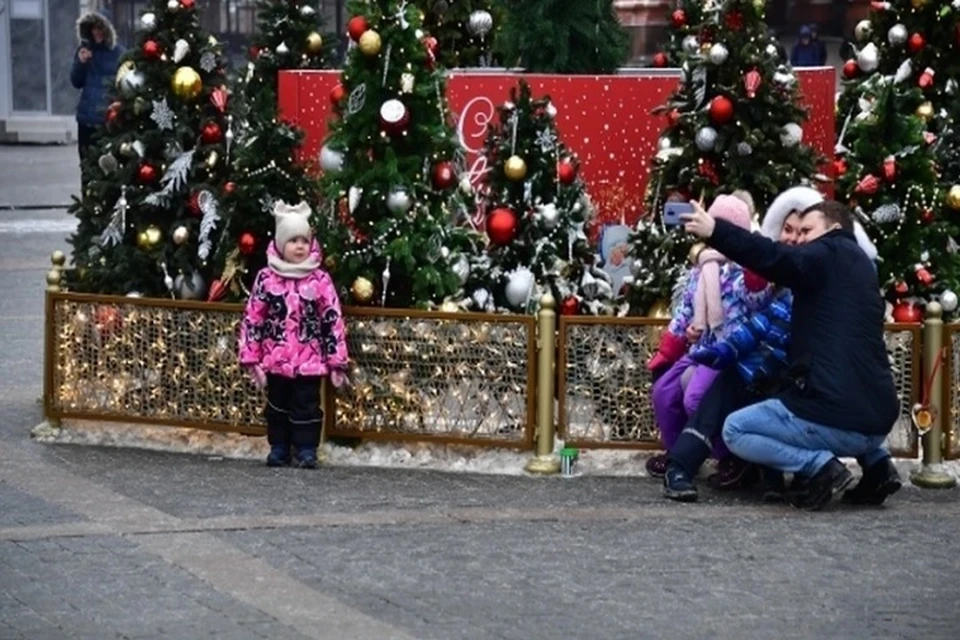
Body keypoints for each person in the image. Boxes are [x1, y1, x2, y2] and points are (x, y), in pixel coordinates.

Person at [662, 187, 881, 502]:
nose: (795, 238)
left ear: (829, 230)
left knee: (757, 414)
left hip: (803, 376)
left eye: (804, 231)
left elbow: (773, 280)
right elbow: (761, 314)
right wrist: (725, 350)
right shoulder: (820, 264)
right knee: (727, 390)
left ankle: (820, 468)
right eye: (789, 230)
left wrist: (716, 232)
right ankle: (686, 465)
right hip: (766, 364)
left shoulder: (820, 264)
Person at [645, 195, 766, 477]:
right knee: (664, 391)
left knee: (695, 398)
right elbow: (686, 308)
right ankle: (678, 451)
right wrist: (674, 342)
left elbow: (756, 300)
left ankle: (730, 455)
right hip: (701, 348)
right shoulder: (702, 267)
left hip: (731, 352)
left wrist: (755, 277)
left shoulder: (743, 268)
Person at [239, 201, 350, 469]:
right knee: (277, 405)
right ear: (280, 245)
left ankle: (306, 448)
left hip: (309, 361)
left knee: (306, 406)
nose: (299, 246)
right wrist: (251, 357)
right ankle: (279, 446)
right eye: (292, 241)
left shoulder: (319, 280)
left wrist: (337, 360)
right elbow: (254, 317)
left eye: (304, 240)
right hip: (275, 359)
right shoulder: (266, 278)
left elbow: (332, 319)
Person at [71, 12, 123, 167]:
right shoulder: (84, 50)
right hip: (86, 120)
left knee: (107, 168)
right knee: (86, 166)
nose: (96, 32)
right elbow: (76, 81)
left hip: (106, 121)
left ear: (107, 29)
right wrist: (81, 62)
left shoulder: (119, 53)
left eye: (100, 28)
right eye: (93, 28)